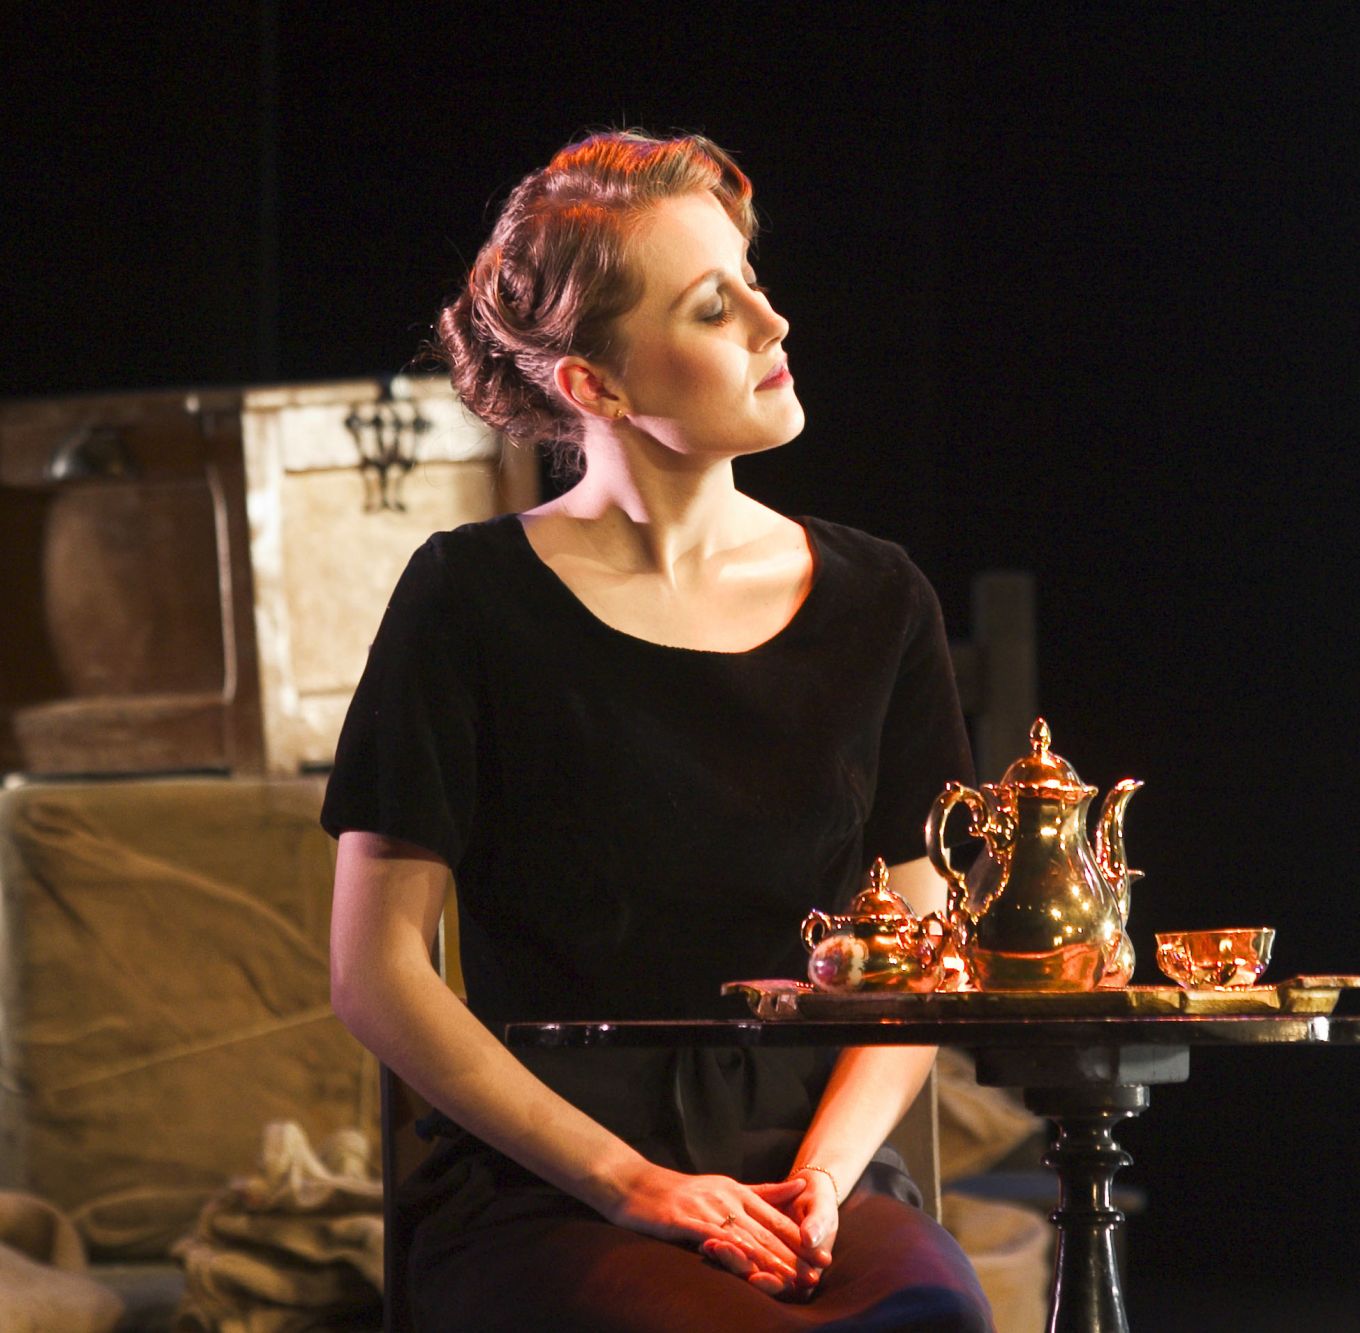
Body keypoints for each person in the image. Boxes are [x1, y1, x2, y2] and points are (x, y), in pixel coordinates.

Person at [323, 130, 993, 1332]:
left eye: (753, 282)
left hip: (812, 1170)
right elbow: (375, 973)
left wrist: (822, 1178)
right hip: (551, 1183)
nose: (772, 323)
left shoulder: (879, 600)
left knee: (930, 1318)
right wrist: (631, 1185)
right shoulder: (467, 600)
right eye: (712, 307)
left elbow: (925, 959)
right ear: (595, 387)